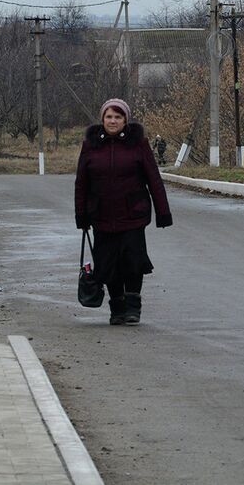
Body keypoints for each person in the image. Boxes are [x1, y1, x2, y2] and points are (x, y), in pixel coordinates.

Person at [74, 98, 172, 325]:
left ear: (125, 120)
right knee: (108, 264)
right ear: (102, 119)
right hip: (101, 215)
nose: (113, 121)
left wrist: (163, 212)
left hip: (133, 213)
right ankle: (117, 307)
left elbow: (154, 179)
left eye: (118, 117)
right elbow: (81, 183)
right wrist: (81, 215)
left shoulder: (138, 143)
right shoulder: (91, 145)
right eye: (109, 116)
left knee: (132, 261)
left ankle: (133, 307)